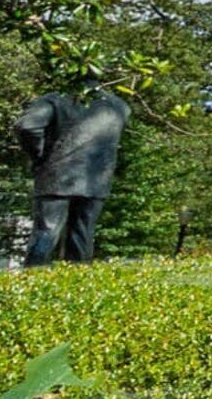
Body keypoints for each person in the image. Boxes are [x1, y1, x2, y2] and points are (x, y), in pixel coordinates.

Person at [16, 83, 130, 264]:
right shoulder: (119, 106)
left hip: (57, 175)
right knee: (82, 236)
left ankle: (32, 279)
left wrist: (39, 156)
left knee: (46, 232)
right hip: (96, 179)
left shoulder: (55, 98)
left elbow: (27, 127)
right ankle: (77, 283)